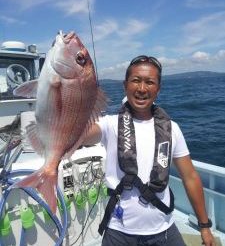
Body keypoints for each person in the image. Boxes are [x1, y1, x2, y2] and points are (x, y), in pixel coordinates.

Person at [83, 55, 216, 246]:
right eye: (136, 80)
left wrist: (204, 226)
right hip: (118, 232)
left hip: (164, 229)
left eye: (150, 82)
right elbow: (80, 135)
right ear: (125, 85)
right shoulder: (109, 124)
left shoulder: (172, 129)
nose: (142, 88)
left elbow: (190, 177)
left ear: (158, 89)